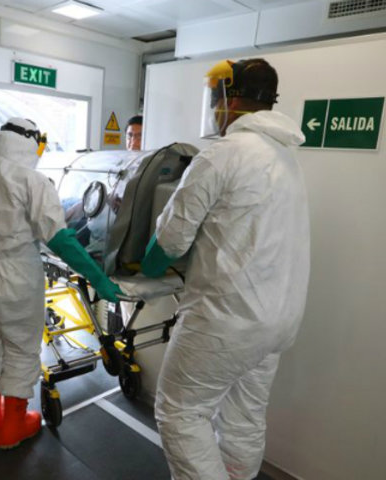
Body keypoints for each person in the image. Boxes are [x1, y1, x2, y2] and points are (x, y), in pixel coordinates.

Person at [141, 58, 310, 479]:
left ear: (230, 99)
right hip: (276, 321)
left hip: (226, 321)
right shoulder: (286, 157)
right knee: (243, 417)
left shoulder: (222, 155)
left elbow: (169, 242)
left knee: (180, 413)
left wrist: (146, 263)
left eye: (215, 98)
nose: (214, 109)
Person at [0, 117, 122, 450]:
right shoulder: (32, 180)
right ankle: (13, 428)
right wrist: (98, 278)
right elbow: (60, 239)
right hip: (13, 274)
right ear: (32, 142)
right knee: (20, 348)